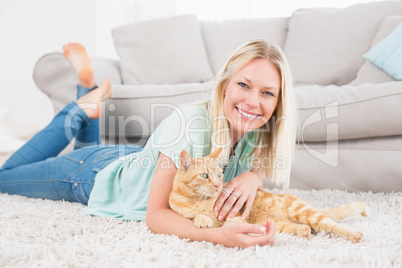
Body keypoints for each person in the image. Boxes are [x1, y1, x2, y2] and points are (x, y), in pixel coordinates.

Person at [0, 40, 297, 248]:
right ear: (225, 84)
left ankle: (88, 96)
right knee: (4, 177)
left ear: (278, 101)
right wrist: (218, 237)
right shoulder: (188, 124)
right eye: (243, 85)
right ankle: (78, 108)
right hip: (89, 175)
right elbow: (155, 216)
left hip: (136, 162)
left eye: (268, 93)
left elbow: (256, 165)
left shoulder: (256, 127)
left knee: (84, 152)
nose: (253, 102)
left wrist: (252, 177)